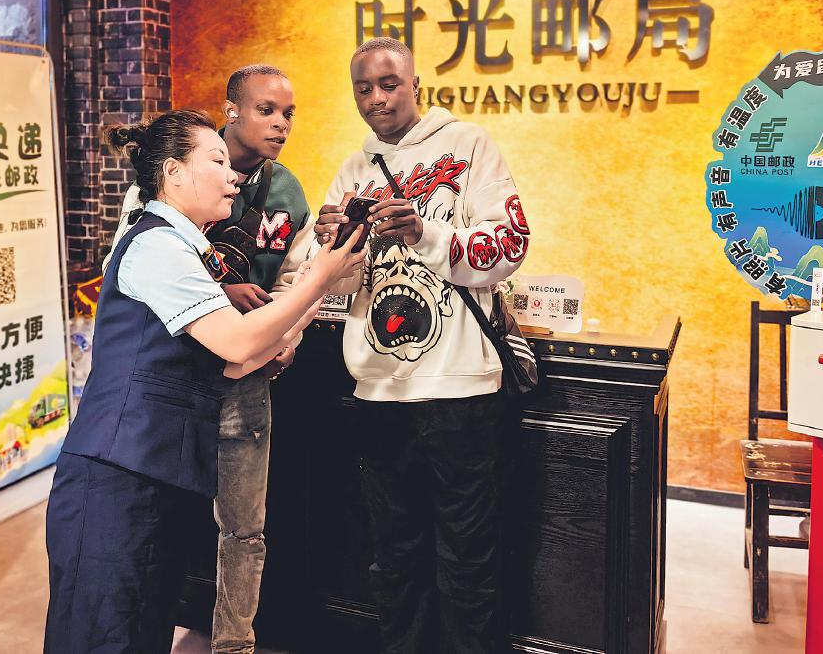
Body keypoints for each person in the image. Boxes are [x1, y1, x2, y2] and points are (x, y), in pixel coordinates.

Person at [44, 109, 364, 654]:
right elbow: (237, 344)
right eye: (215, 160)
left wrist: (321, 288)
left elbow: (240, 361)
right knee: (103, 634)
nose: (232, 174)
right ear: (172, 172)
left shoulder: (189, 249)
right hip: (117, 477)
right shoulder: (156, 245)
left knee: (142, 630)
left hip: (157, 477)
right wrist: (316, 281)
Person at [279, 36, 529, 653]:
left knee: (469, 558)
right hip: (378, 391)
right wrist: (331, 245)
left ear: (416, 84)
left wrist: (425, 232)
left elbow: (511, 246)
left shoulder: (469, 145)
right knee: (393, 557)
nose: (377, 98)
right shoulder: (354, 168)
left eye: (389, 84)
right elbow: (330, 282)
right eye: (363, 88)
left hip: (461, 390)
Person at [105, 65, 311, 654]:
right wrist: (222, 294)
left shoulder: (288, 192)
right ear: (231, 111)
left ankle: (233, 642)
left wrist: (286, 339)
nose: (280, 124)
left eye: (288, 113)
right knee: (160, 517)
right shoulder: (164, 179)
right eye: (266, 110)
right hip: (174, 377)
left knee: (245, 528)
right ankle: (161, 626)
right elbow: (131, 266)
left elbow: (295, 279)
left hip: (246, 382)